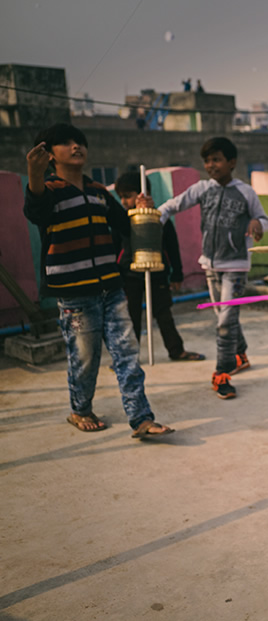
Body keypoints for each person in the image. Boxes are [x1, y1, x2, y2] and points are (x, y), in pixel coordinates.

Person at [22, 123, 174, 438]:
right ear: (50, 154)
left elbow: (124, 225)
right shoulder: (49, 190)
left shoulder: (98, 192)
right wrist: (35, 175)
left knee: (126, 352)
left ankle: (141, 419)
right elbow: (35, 211)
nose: (76, 146)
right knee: (86, 357)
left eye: (79, 141)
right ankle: (80, 410)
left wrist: (139, 210)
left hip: (111, 288)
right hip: (75, 294)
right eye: (65, 143)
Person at [157, 137, 268, 399]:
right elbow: (174, 205)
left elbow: (263, 218)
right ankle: (240, 354)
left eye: (216, 160)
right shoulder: (202, 189)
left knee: (225, 322)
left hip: (236, 267)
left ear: (232, 162)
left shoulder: (245, 192)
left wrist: (257, 224)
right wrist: (153, 216)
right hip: (210, 265)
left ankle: (222, 374)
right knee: (223, 315)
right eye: (207, 161)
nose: (210, 165)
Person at [112, 171, 204, 363]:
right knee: (131, 317)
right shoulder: (122, 221)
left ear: (142, 194)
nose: (123, 201)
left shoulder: (160, 219)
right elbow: (114, 249)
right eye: (121, 197)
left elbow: (172, 247)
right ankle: (129, 357)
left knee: (164, 313)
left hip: (157, 274)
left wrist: (176, 275)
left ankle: (176, 350)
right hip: (129, 276)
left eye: (127, 196)